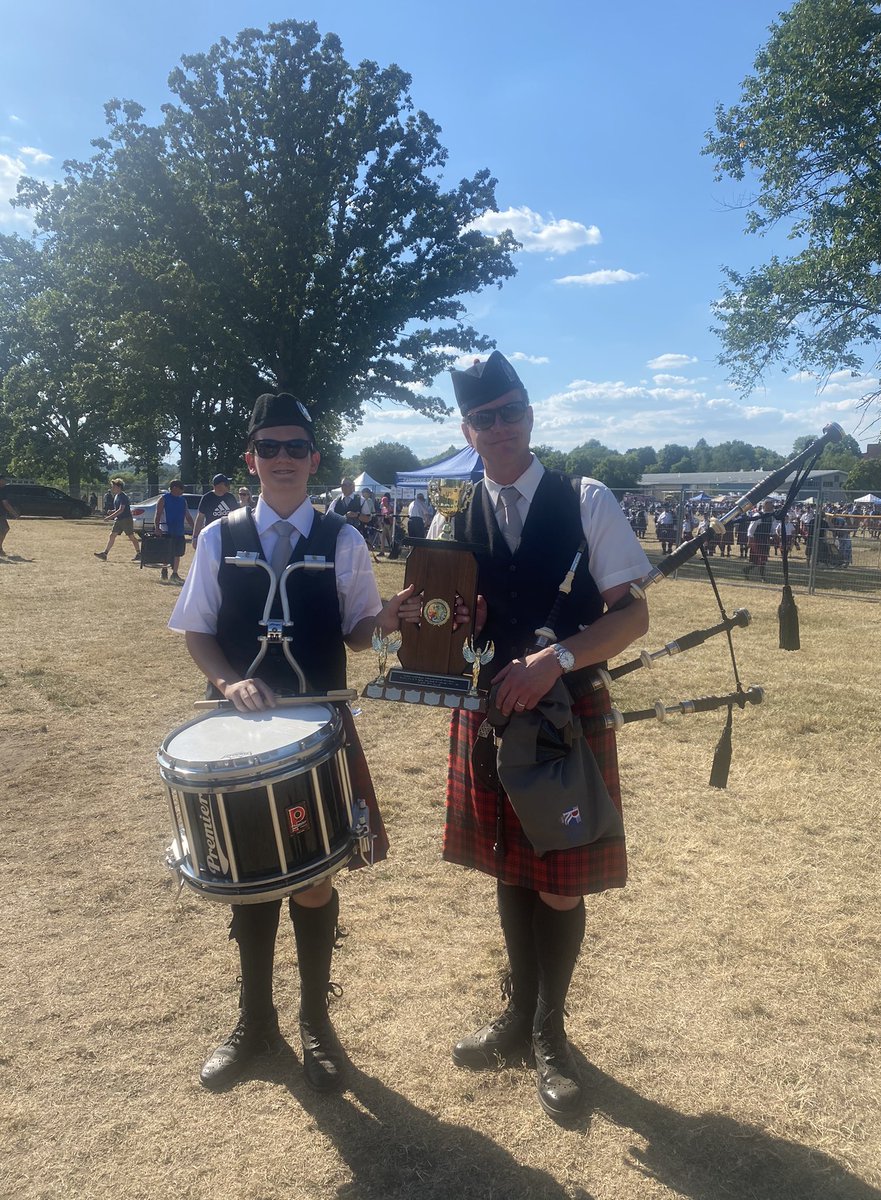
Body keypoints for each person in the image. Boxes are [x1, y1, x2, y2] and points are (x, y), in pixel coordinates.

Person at [168, 392, 413, 1095]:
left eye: (295, 448)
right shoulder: (218, 536)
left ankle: (315, 1022)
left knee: (311, 878)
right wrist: (225, 682)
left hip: (317, 733)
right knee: (249, 879)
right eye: (268, 447)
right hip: (239, 738)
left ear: (313, 460)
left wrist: (386, 620)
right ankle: (255, 1022)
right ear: (251, 459)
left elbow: (358, 630)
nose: (281, 459)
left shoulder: (344, 539)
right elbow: (198, 631)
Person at [439, 352, 650, 1122]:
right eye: (484, 418)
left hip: (567, 714)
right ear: (468, 430)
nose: (499, 428)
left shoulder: (585, 497)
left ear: (531, 413)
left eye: (510, 411)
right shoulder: (455, 511)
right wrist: (452, 625)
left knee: (560, 881)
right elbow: (453, 614)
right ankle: (517, 1021)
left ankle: (550, 1034)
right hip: (491, 715)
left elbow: (633, 617)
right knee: (510, 868)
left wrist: (555, 658)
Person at [154, 478, 194, 583]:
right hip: (167, 530)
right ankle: (164, 569)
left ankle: (175, 573)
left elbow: (188, 516)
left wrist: (195, 529)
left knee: (178, 553)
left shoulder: (182, 500)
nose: (182, 491)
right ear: (174, 488)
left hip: (179, 531)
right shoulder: (163, 498)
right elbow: (158, 514)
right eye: (181, 489)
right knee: (166, 552)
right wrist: (157, 528)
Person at [94, 479, 142, 561]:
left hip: (126, 519)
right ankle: (105, 554)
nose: (112, 488)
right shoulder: (116, 496)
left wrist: (109, 517)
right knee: (112, 535)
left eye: (114, 486)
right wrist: (112, 511)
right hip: (119, 519)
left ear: (119, 487)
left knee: (131, 537)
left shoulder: (123, 496)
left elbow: (121, 510)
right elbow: (117, 509)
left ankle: (139, 553)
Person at [744, 499, 776, 580]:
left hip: (765, 540)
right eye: (770, 505)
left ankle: (747, 570)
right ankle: (762, 577)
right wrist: (749, 540)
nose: (772, 506)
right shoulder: (758, 515)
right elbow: (751, 529)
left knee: (762, 560)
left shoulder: (771, 516)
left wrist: (774, 536)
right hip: (757, 540)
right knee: (760, 559)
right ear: (765, 505)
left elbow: (772, 529)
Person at [0, 474, 18, 556]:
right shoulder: (2, 490)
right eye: (4, 480)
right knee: (4, 529)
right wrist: (13, 512)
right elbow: (5, 503)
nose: (5, 482)